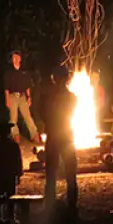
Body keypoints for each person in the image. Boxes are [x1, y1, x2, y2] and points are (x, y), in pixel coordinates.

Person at [43, 66, 78, 213]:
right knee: (69, 171)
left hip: (55, 133)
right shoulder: (72, 97)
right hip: (65, 134)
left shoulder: (47, 97)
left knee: (52, 171)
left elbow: (44, 113)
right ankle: (71, 204)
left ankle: (51, 204)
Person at [3, 51, 41, 143]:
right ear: (11, 60)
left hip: (22, 97)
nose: (15, 59)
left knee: (27, 117)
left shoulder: (24, 72)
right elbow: (6, 87)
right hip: (12, 97)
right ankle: (16, 136)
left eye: (17, 57)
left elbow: (27, 86)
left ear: (20, 59)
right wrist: (7, 99)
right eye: (13, 58)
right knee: (13, 119)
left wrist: (29, 97)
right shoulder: (9, 73)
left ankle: (35, 135)